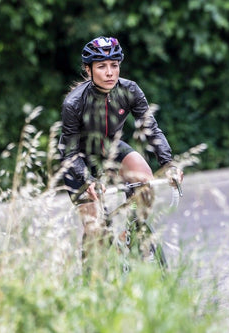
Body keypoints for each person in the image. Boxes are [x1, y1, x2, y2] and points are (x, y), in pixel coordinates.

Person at [59, 36, 183, 270]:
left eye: (114, 65)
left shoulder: (130, 90)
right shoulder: (73, 103)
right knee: (95, 227)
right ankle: (94, 273)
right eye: (101, 66)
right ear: (88, 70)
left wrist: (169, 164)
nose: (109, 72)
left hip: (110, 148)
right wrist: (88, 181)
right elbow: (68, 154)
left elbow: (150, 129)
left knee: (144, 180)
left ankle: (133, 232)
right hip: (79, 161)